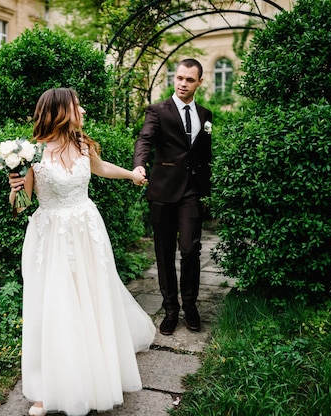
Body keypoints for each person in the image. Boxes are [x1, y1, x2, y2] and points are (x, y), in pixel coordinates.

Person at [8, 88, 156, 416]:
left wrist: (132, 174)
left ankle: (93, 377)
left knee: (90, 301)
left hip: (87, 232)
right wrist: (15, 187)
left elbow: (101, 169)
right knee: (54, 307)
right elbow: (21, 206)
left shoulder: (82, 145)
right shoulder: (31, 154)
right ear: (61, 111)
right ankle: (45, 389)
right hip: (52, 238)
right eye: (78, 105)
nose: (84, 110)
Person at [132, 58, 213, 336]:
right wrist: (139, 164)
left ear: (199, 82)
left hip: (192, 192)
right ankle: (170, 309)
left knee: (191, 249)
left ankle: (190, 305)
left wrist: (209, 186)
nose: (182, 83)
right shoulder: (157, 111)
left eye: (189, 80)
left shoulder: (205, 114)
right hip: (163, 191)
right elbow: (144, 139)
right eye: (179, 78)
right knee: (164, 252)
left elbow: (204, 154)